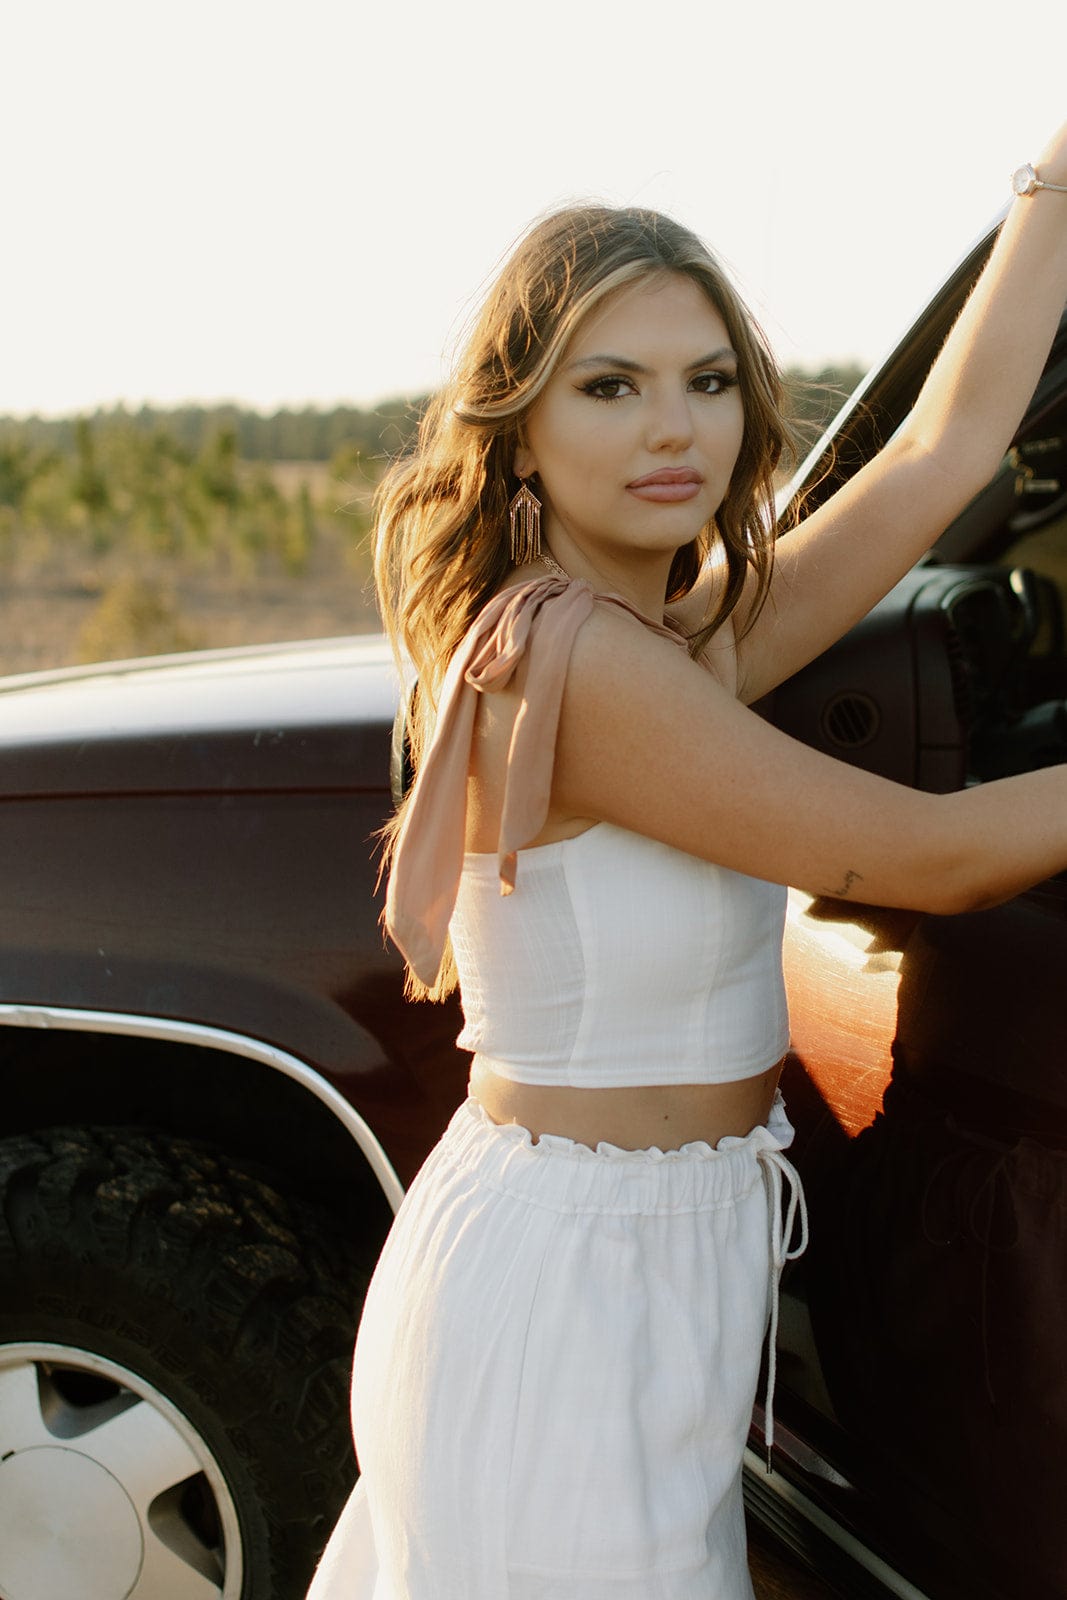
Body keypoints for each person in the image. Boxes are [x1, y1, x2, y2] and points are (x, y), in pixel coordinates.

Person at [309, 126, 1067, 1600]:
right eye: (612, 387)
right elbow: (934, 856)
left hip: (652, 1269)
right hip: (565, 1302)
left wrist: (1049, 187)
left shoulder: (666, 640)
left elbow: (942, 453)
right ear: (518, 428)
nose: (676, 429)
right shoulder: (577, 662)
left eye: (707, 383)